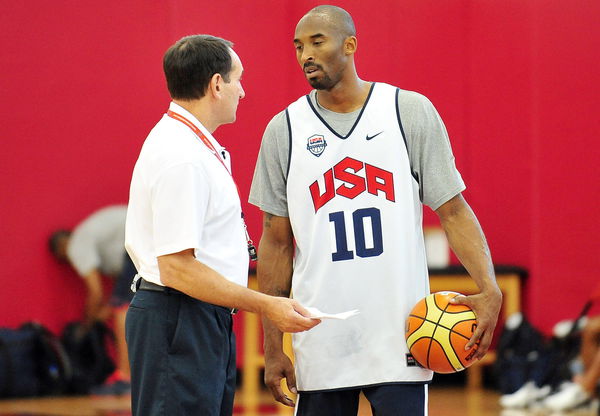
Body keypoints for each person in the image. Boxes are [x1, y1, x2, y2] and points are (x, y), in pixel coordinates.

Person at [249, 5, 503, 415]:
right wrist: (272, 344)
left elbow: (453, 211)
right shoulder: (284, 130)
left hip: (401, 332)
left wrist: (489, 288)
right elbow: (275, 243)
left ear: (350, 45)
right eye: (298, 46)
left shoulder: (407, 111)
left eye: (317, 41)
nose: (305, 55)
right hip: (321, 336)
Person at [124, 34, 320, 416]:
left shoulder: (191, 145)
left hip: (196, 318)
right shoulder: (182, 156)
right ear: (216, 84)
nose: (242, 91)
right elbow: (177, 267)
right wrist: (266, 305)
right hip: (180, 318)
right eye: (237, 79)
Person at [49, 205, 134, 395]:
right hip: (146, 238)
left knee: (123, 308)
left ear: (62, 248)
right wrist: (102, 313)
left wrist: (87, 325)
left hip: (138, 242)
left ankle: (125, 378)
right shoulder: (98, 242)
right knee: (130, 307)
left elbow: (96, 292)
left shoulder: (75, 245)